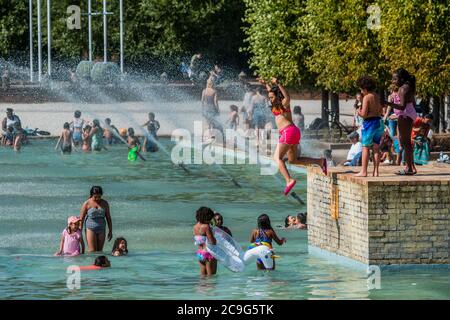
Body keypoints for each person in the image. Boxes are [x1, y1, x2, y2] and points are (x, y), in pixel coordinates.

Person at [259, 77, 327, 195]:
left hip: (288, 132)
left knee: (277, 158)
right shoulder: (275, 105)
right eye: (269, 97)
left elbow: (287, 97)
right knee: (293, 160)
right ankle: (320, 161)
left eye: (272, 97)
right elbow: (272, 92)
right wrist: (266, 84)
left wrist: (278, 83)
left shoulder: (284, 104)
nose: (270, 99)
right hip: (293, 132)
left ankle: (289, 180)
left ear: (278, 96)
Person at [383, 68, 418, 175]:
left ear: (402, 79)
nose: (393, 81)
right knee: (405, 142)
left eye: (395, 79)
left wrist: (386, 103)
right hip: (407, 115)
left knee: (405, 142)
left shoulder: (403, 89)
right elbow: (412, 102)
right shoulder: (407, 87)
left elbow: (402, 107)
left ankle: (409, 168)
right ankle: (410, 166)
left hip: (405, 115)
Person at [355, 76, 384, 177]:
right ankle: (376, 172)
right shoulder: (377, 96)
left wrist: (358, 111)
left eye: (361, 89)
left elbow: (364, 114)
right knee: (376, 147)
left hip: (369, 123)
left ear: (365, 88)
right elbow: (381, 111)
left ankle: (364, 171)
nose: (361, 92)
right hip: (379, 122)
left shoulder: (367, 97)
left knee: (365, 147)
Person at [79, 186, 113, 252]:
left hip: (102, 228)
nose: (97, 199)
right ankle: (91, 262)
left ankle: (99, 262)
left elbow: (108, 217)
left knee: (100, 251)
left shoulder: (105, 203)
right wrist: (79, 231)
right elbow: (81, 218)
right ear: (91, 195)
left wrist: (110, 231)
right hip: (90, 228)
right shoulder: (87, 203)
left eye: (99, 197)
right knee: (92, 250)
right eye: (95, 197)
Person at [193, 207, 217, 276]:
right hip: (208, 253)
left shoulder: (195, 227)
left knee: (203, 276)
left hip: (200, 254)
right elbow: (213, 242)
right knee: (211, 277)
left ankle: (201, 287)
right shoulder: (206, 226)